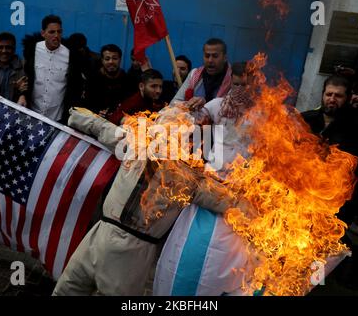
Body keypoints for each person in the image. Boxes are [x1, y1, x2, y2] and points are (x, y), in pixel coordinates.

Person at [52, 106, 255, 295]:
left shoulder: (187, 178)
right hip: (99, 235)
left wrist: (261, 205)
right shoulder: (136, 146)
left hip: (132, 253)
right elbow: (102, 127)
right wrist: (76, 114)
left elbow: (227, 199)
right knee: (66, 289)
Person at [153, 62, 258, 296]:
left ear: (254, 85)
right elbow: (189, 118)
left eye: (245, 85)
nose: (239, 90)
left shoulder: (263, 115)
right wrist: (192, 106)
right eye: (236, 84)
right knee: (189, 243)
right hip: (208, 185)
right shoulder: (218, 105)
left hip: (240, 191)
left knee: (228, 252)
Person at [302, 75, 358, 294]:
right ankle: (291, 280)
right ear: (322, 95)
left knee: (321, 248)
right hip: (302, 196)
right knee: (296, 243)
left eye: (338, 95)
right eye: (328, 94)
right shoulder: (307, 120)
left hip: (338, 203)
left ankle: (313, 286)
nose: (332, 99)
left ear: (347, 98)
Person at [23, 15, 82, 123]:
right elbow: (25, 77)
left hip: (57, 118)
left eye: (59, 32)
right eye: (51, 32)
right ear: (43, 33)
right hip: (32, 114)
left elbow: (75, 87)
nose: (56, 36)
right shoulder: (32, 50)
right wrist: (22, 94)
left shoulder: (71, 56)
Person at [171, 38, 232, 109]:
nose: (210, 60)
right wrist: (189, 104)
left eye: (215, 56)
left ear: (225, 58)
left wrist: (204, 105)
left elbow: (231, 113)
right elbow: (173, 103)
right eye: (207, 56)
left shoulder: (233, 80)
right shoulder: (194, 74)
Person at [83, 44, 135, 117]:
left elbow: (129, 104)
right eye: (107, 59)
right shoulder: (93, 79)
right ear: (102, 60)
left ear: (120, 59)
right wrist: (96, 111)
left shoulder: (127, 79)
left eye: (115, 58)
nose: (111, 62)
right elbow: (86, 104)